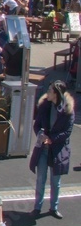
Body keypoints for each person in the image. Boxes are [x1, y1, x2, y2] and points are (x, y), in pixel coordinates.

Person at [30, 80, 75, 219]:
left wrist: (52, 139)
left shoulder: (67, 110)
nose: (47, 93)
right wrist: (40, 135)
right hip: (43, 148)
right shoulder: (44, 106)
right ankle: (37, 207)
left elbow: (67, 132)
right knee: (40, 178)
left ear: (57, 94)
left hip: (58, 149)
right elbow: (36, 125)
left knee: (56, 181)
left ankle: (53, 207)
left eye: (50, 91)